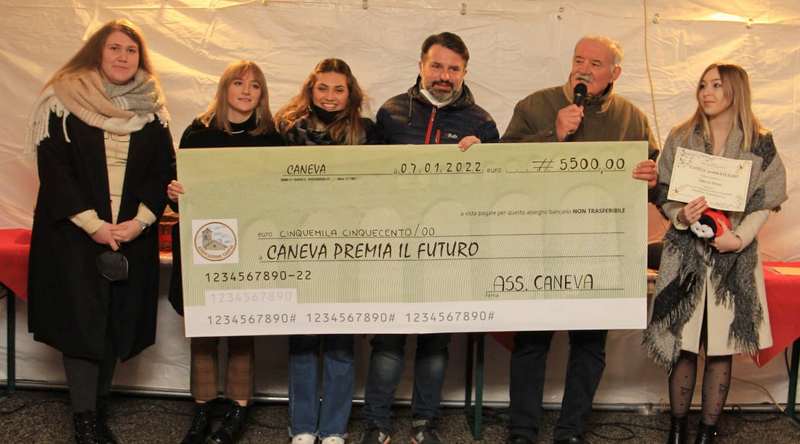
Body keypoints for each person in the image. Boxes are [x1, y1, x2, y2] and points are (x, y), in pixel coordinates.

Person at [502, 35, 659, 444]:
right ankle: (521, 431)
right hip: (539, 245)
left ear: (615, 73)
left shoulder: (633, 118)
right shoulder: (535, 106)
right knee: (532, 342)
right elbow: (502, 167)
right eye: (579, 60)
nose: (583, 69)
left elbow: (655, 181)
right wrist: (552, 135)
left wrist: (652, 180)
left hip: (601, 250)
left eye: (595, 63)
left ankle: (570, 431)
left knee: (589, 346)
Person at [25, 19, 174, 444]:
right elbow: (55, 171)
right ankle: (85, 419)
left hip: (129, 236)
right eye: (115, 48)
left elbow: (162, 170)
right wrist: (93, 225)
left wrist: (139, 222)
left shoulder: (152, 109)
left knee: (114, 323)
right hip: (74, 237)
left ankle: (99, 405)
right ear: (98, 52)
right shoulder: (63, 100)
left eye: (131, 50)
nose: (123, 57)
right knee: (81, 326)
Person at [361, 32, 499, 444]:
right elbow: (367, 180)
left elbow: (494, 188)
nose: (444, 75)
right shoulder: (390, 114)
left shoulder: (481, 123)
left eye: (453, 68)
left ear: (465, 72)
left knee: (435, 343)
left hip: (448, 249)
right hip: (393, 245)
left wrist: (484, 159)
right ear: (421, 65)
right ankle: (377, 423)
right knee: (388, 339)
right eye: (437, 65)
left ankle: (425, 423)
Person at [643, 63, 786, 444]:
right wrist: (680, 215)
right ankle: (677, 430)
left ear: (735, 90)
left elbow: (766, 200)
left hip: (733, 259)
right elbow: (664, 191)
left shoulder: (759, 141)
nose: (706, 92)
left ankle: (707, 432)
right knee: (683, 344)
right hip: (684, 255)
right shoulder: (681, 136)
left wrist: (738, 239)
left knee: (721, 347)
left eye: (716, 85)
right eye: (703, 85)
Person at [166, 60, 284, 444]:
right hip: (205, 246)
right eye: (238, 83)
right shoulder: (197, 132)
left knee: (241, 331)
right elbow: (178, 194)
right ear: (224, 88)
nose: (246, 91)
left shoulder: (272, 138)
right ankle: (202, 410)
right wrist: (174, 193)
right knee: (203, 331)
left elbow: (282, 196)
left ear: (262, 94)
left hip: (250, 245)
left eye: (255, 85)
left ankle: (237, 410)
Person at [274, 58, 380, 444]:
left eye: (338, 89)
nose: (330, 96)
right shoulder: (286, 131)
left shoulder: (368, 133)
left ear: (350, 93)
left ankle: (334, 428)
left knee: (340, 341)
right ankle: (302, 426)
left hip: (348, 248)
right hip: (299, 245)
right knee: (303, 340)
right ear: (311, 89)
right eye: (323, 88)